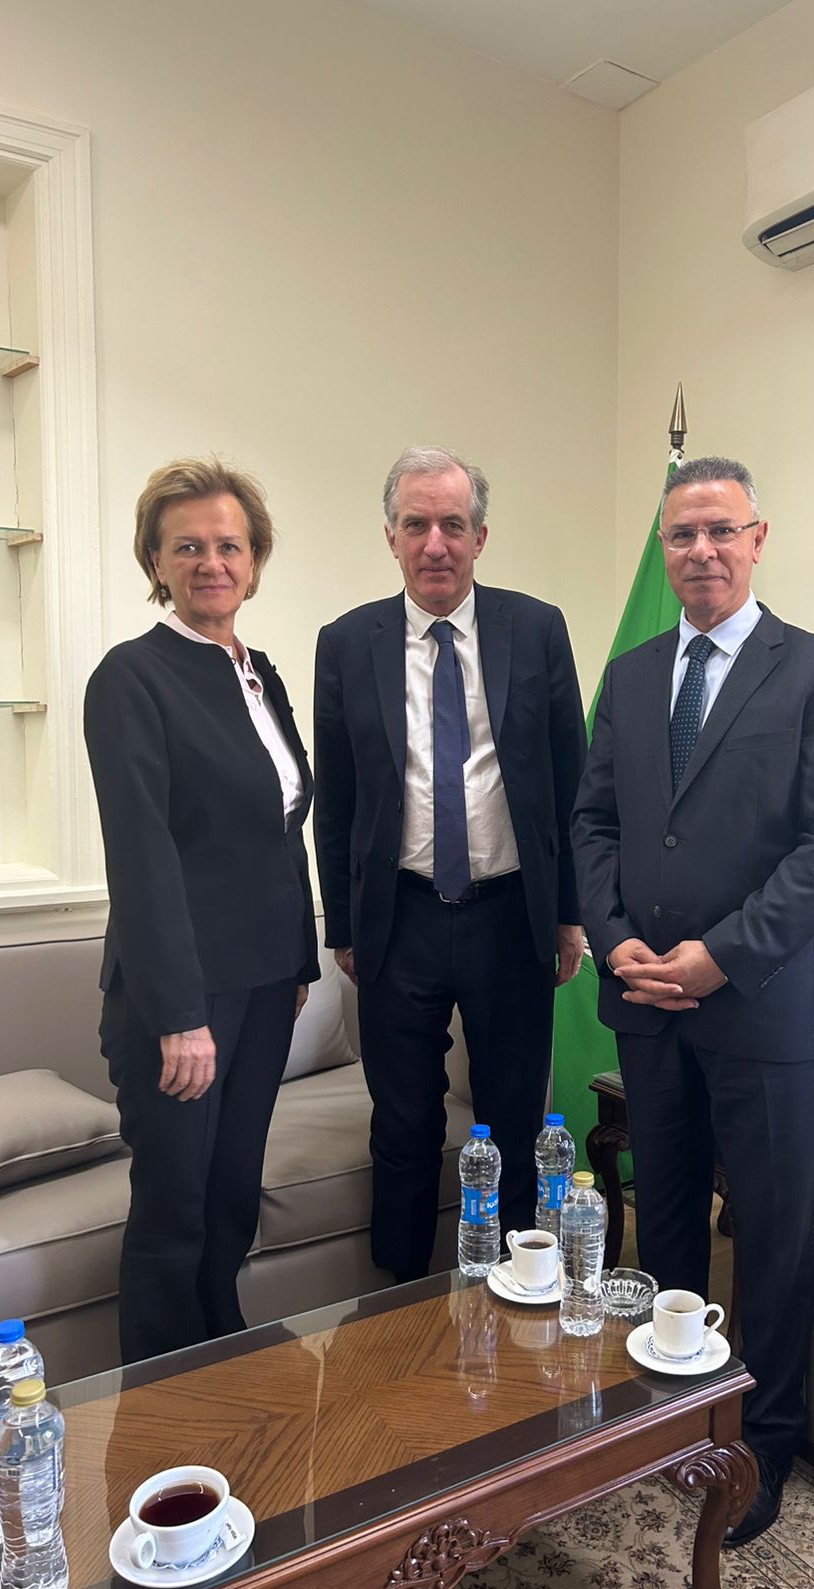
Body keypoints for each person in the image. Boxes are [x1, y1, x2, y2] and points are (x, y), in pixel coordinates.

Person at [571, 455, 814, 1547]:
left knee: (774, 1239)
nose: (700, 550)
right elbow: (595, 821)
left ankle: (766, 1445)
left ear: (757, 538)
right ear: (663, 549)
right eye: (681, 535)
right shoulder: (633, 673)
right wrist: (613, 936)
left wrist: (719, 958)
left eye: (720, 531)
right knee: (666, 1226)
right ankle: (670, 1415)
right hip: (646, 1000)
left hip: (763, 1008)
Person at [313, 445, 587, 1283]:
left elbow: (571, 780)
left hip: (510, 914)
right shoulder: (346, 643)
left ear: (480, 537)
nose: (436, 543)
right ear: (391, 538)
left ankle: (517, 1295)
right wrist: (344, 928)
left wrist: (569, 914)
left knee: (514, 1118)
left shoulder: (536, 629)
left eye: (453, 525)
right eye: (417, 525)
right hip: (400, 919)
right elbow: (337, 798)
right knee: (402, 1127)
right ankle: (396, 1306)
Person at [84, 457, 319, 1362]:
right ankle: (156, 1408)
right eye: (187, 547)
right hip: (179, 1001)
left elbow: (279, 831)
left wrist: (298, 964)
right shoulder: (131, 678)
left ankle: (222, 1370)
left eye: (229, 545)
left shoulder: (258, 673)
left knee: (229, 1199)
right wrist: (180, 1018)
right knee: (174, 1212)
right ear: (156, 560)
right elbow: (142, 858)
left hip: (263, 987)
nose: (211, 563)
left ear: (254, 560)